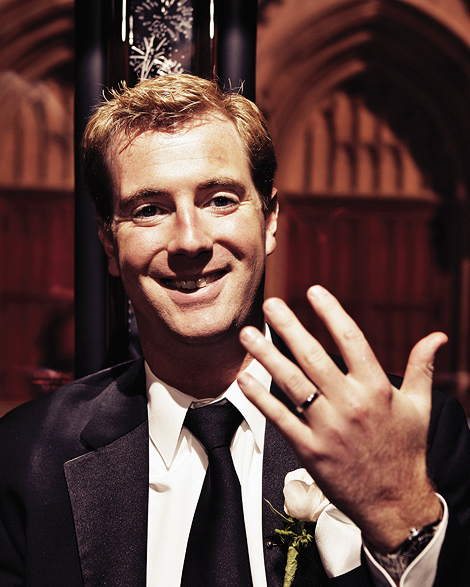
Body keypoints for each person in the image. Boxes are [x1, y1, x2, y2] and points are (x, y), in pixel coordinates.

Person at [0, 74, 469, 587]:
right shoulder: (26, 457)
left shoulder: (410, 437)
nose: (190, 239)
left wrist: (397, 514)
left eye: (220, 199)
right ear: (110, 246)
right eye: (149, 210)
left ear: (269, 220)